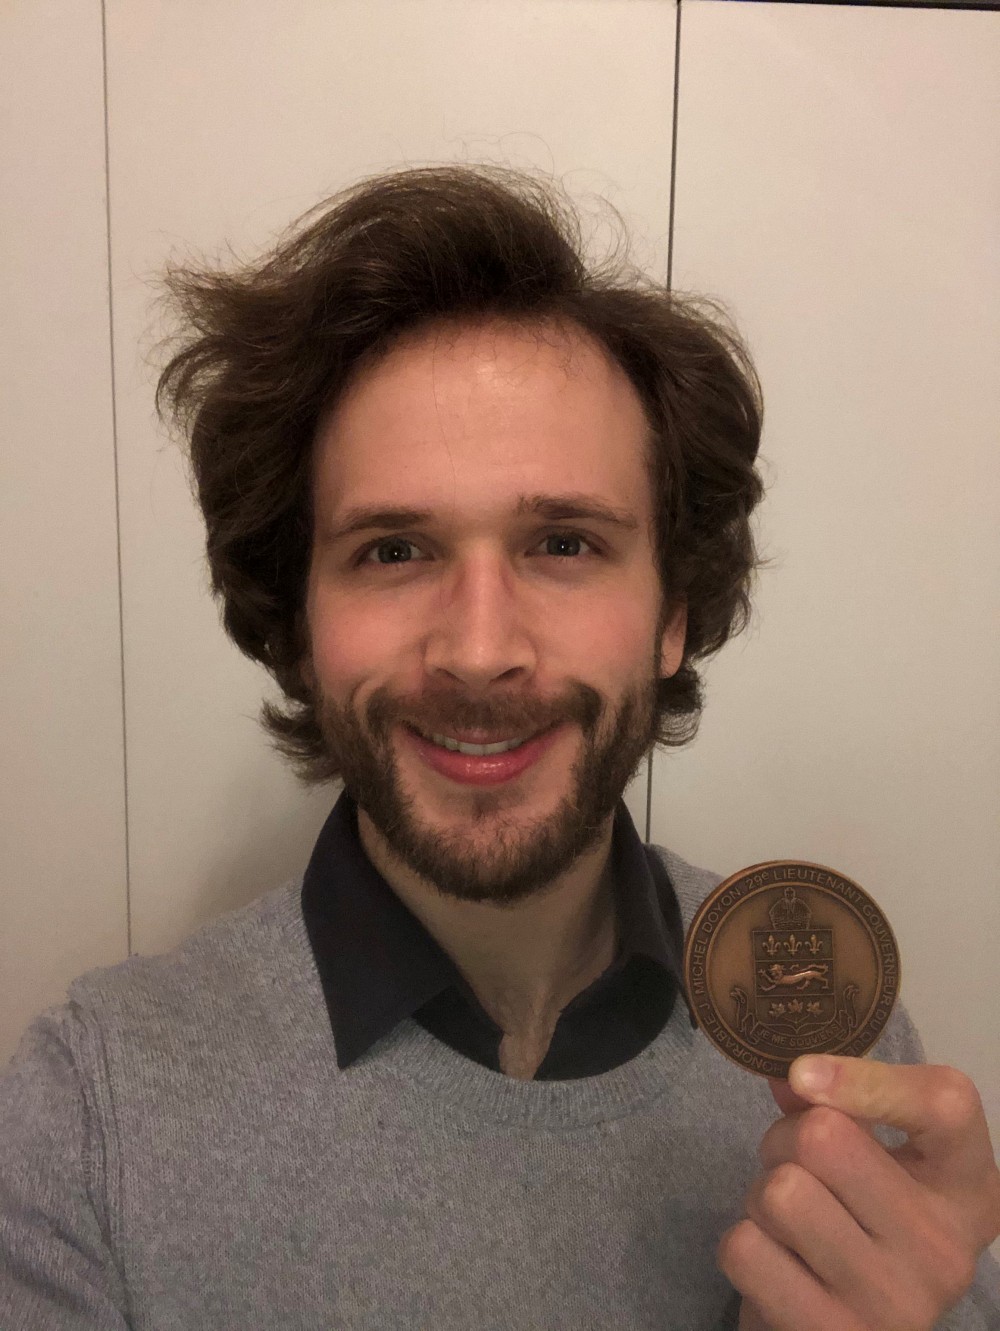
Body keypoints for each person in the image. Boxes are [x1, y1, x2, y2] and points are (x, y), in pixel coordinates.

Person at [1, 164, 997, 1330]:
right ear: (300, 625)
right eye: (392, 550)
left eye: (564, 543)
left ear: (672, 612)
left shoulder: (838, 1041)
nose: (478, 652)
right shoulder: (87, 1119)